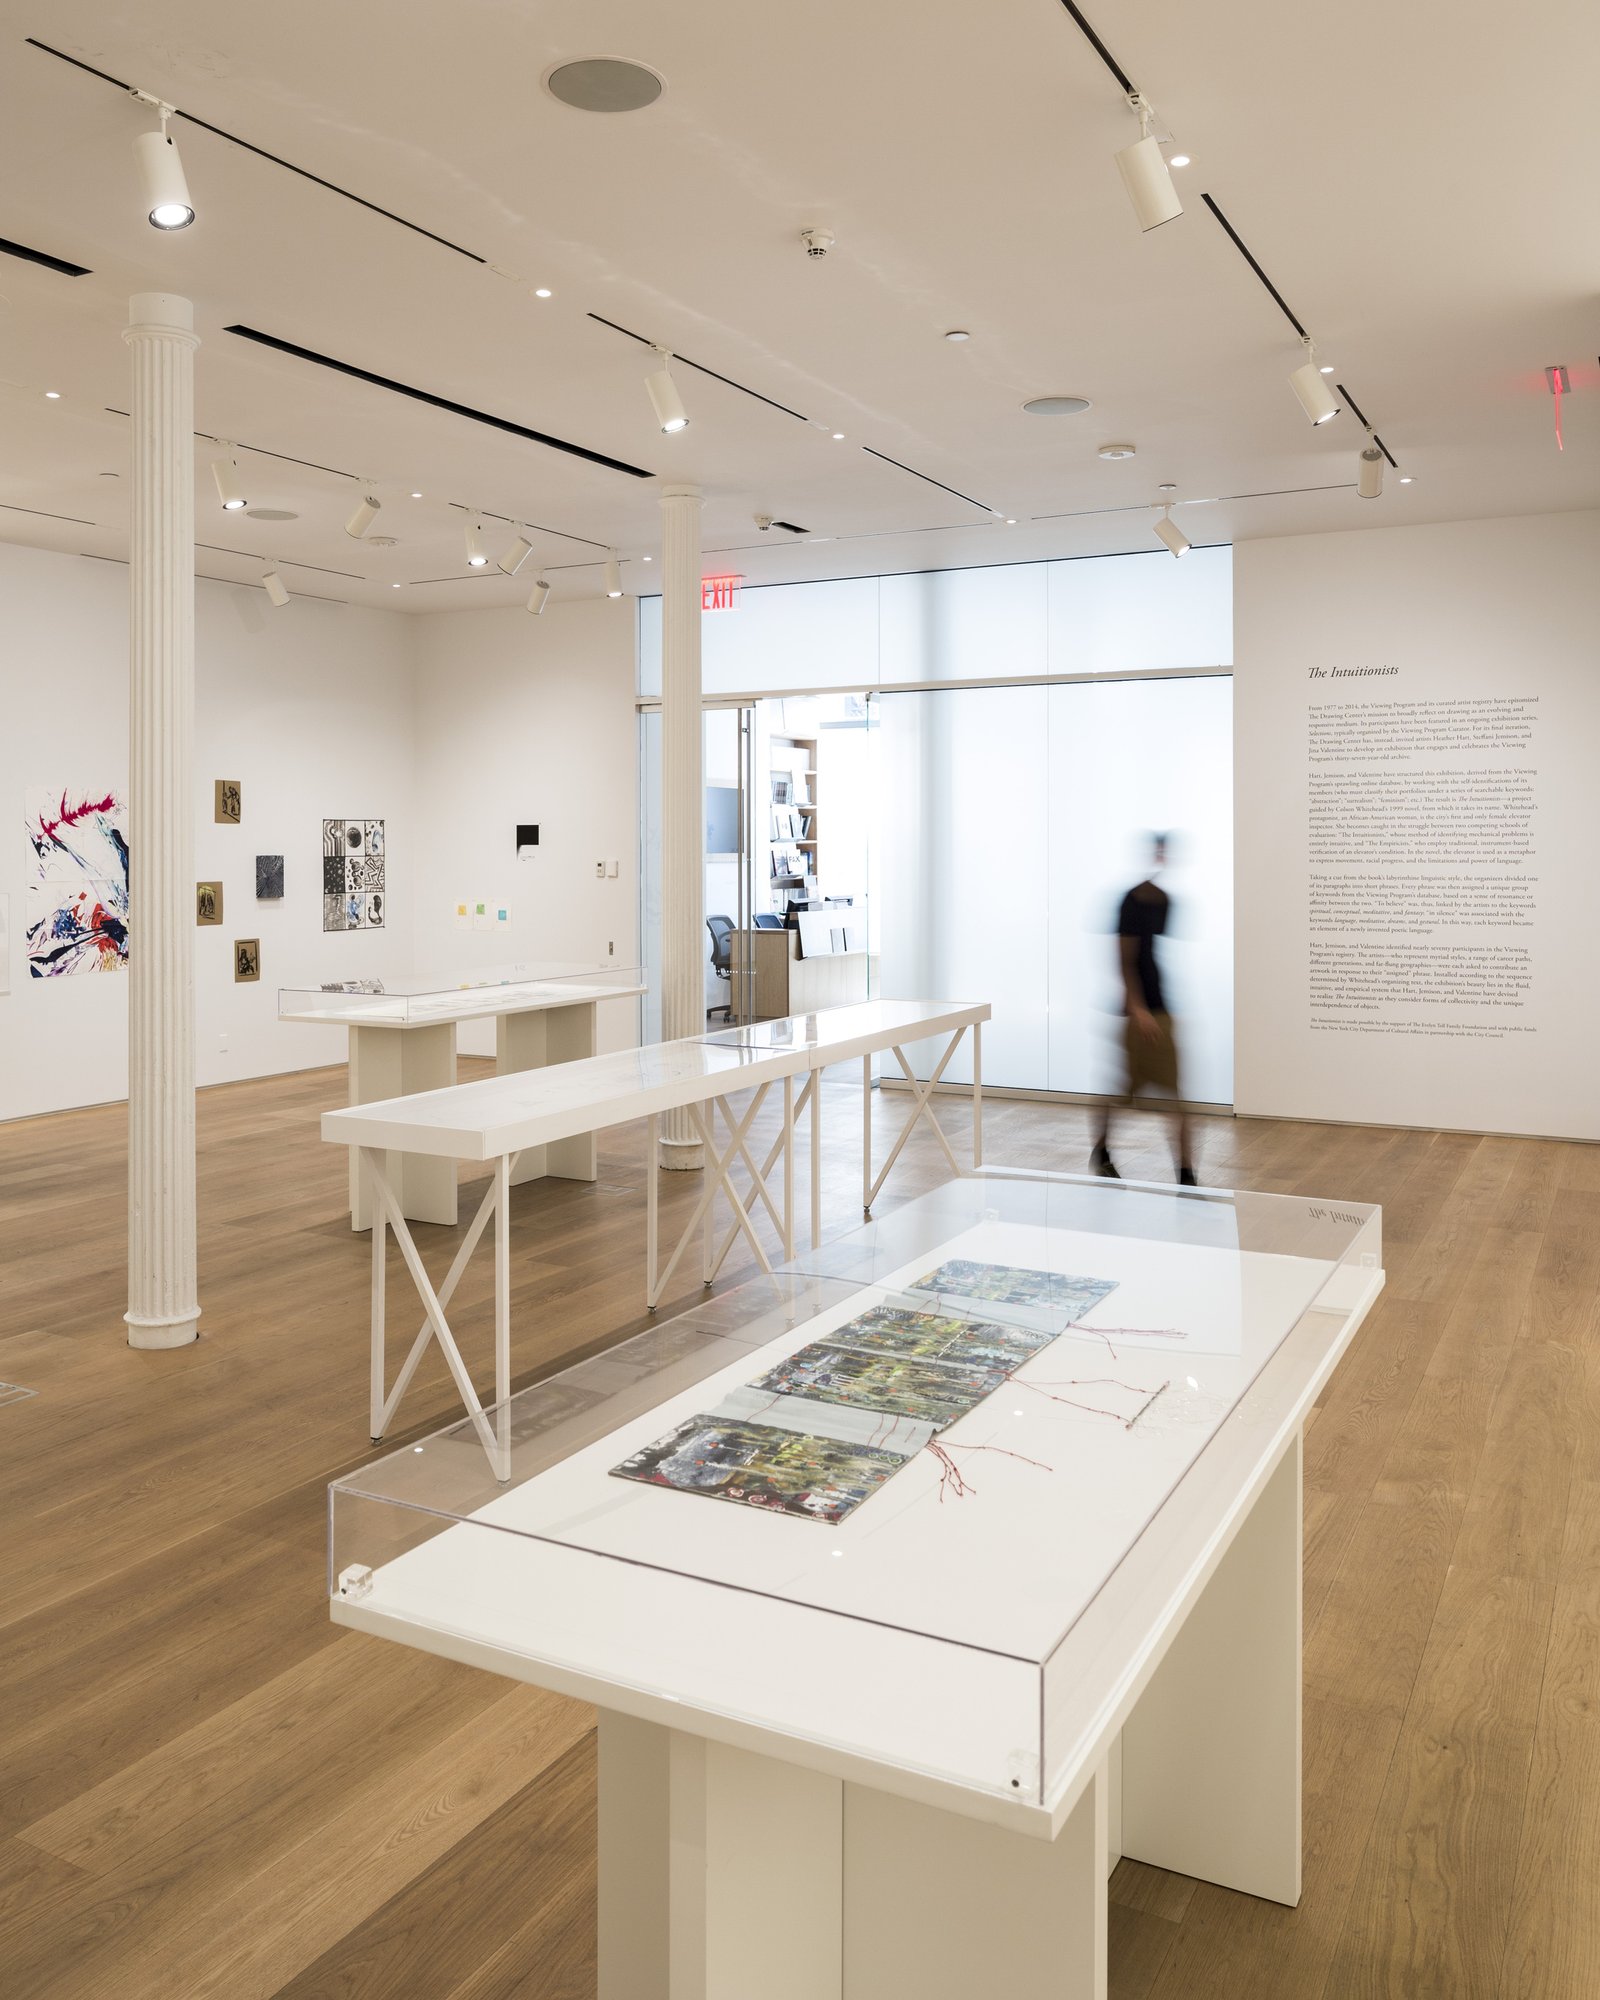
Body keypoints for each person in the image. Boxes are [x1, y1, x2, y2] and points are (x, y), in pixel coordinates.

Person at [1091, 833, 1197, 1186]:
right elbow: (1124, 958)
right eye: (1159, 851)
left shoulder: (1165, 900)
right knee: (1125, 1090)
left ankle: (1185, 1175)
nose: (1163, 858)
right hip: (1140, 1013)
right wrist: (1138, 1009)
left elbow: (1150, 956)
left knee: (1173, 1097)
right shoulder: (1132, 899)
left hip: (1159, 1007)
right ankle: (1102, 1153)